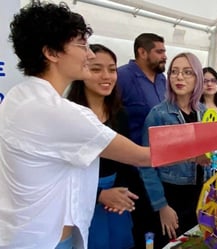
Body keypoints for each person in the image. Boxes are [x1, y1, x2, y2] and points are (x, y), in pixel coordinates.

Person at [0, 3, 152, 248]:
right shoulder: (58, 112)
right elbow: (144, 157)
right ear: (51, 52)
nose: (89, 54)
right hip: (46, 241)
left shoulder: (19, 97)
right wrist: (205, 140)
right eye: (82, 45)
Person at [139, 52, 211, 248]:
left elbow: (211, 156)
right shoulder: (158, 115)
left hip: (199, 193)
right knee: (170, 243)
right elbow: (145, 164)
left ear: (197, 78)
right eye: (174, 72)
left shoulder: (204, 113)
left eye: (187, 72)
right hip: (170, 193)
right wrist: (161, 206)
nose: (179, 77)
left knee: (195, 243)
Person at [67, 44, 136, 249]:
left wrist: (120, 192)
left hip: (117, 200)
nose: (106, 76)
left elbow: (128, 159)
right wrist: (99, 195)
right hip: (80, 199)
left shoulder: (119, 113)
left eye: (112, 69)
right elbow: (63, 172)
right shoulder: (68, 115)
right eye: (96, 69)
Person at [116, 33, 167, 249]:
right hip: (132, 171)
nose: (165, 56)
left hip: (161, 168)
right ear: (142, 52)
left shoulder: (164, 80)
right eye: (160, 51)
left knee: (159, 224)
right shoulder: (122, 77)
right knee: (142, 226)